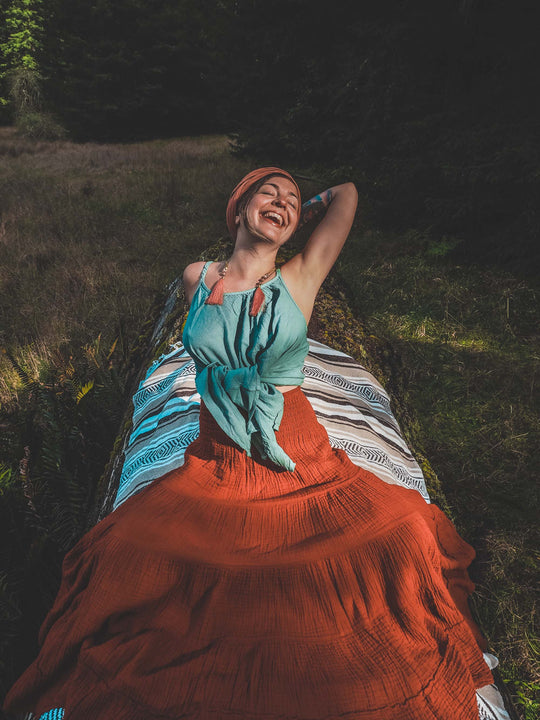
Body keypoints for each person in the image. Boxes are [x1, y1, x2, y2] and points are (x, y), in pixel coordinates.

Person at [4, 167, 494, 720]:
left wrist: (304, 205)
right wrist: (276, 210)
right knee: (127, 555)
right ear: (238, 208)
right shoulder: (196, 278)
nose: (281, 203)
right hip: (216, 457)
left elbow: (350, 195)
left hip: (296, 456)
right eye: (269, 194)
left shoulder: (300, 278)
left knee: (396, 535)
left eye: (289, 199)